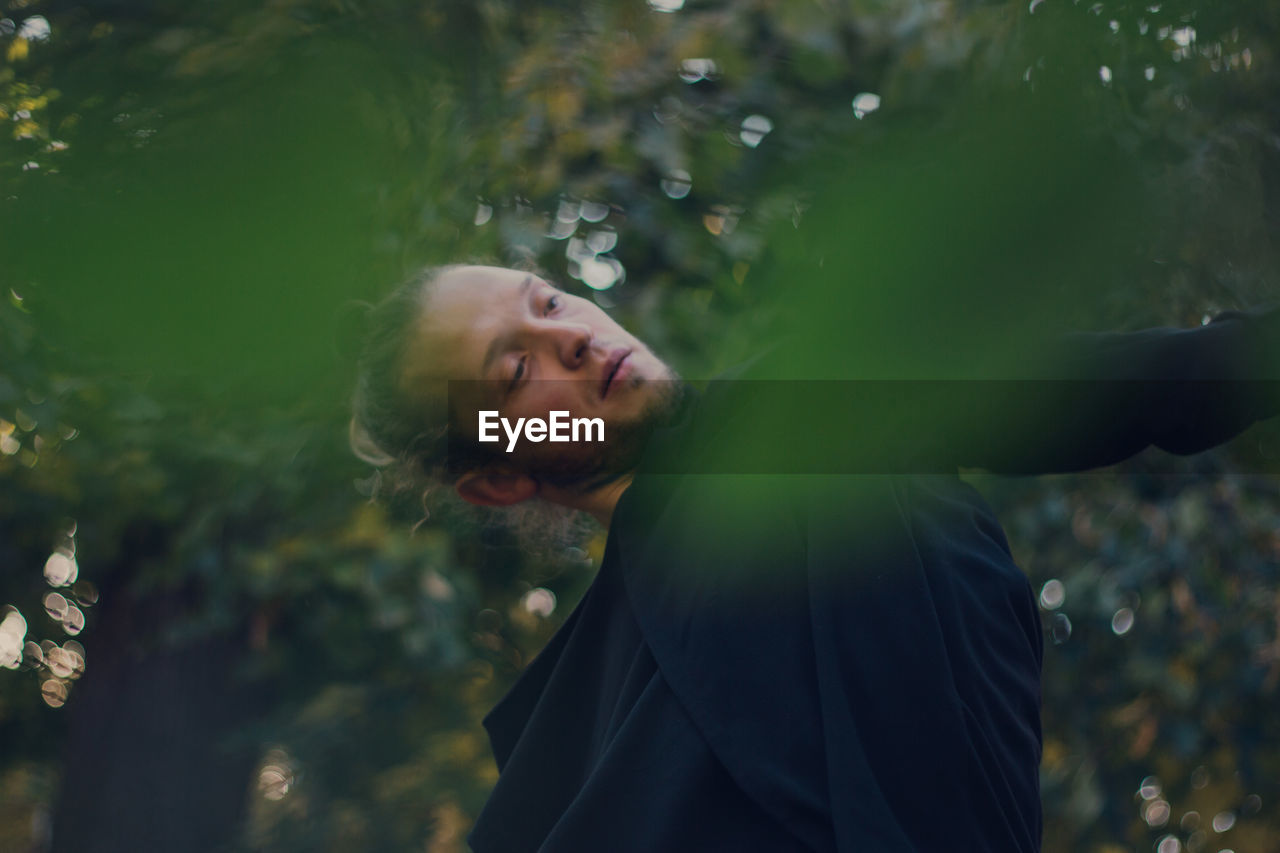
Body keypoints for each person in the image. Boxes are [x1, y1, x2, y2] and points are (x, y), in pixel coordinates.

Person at [349, 263, 1280, 852]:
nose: (571, 336)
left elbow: (1126, 384)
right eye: (515, 376)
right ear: (501, 481)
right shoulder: (567, 768)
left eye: (548, 299)